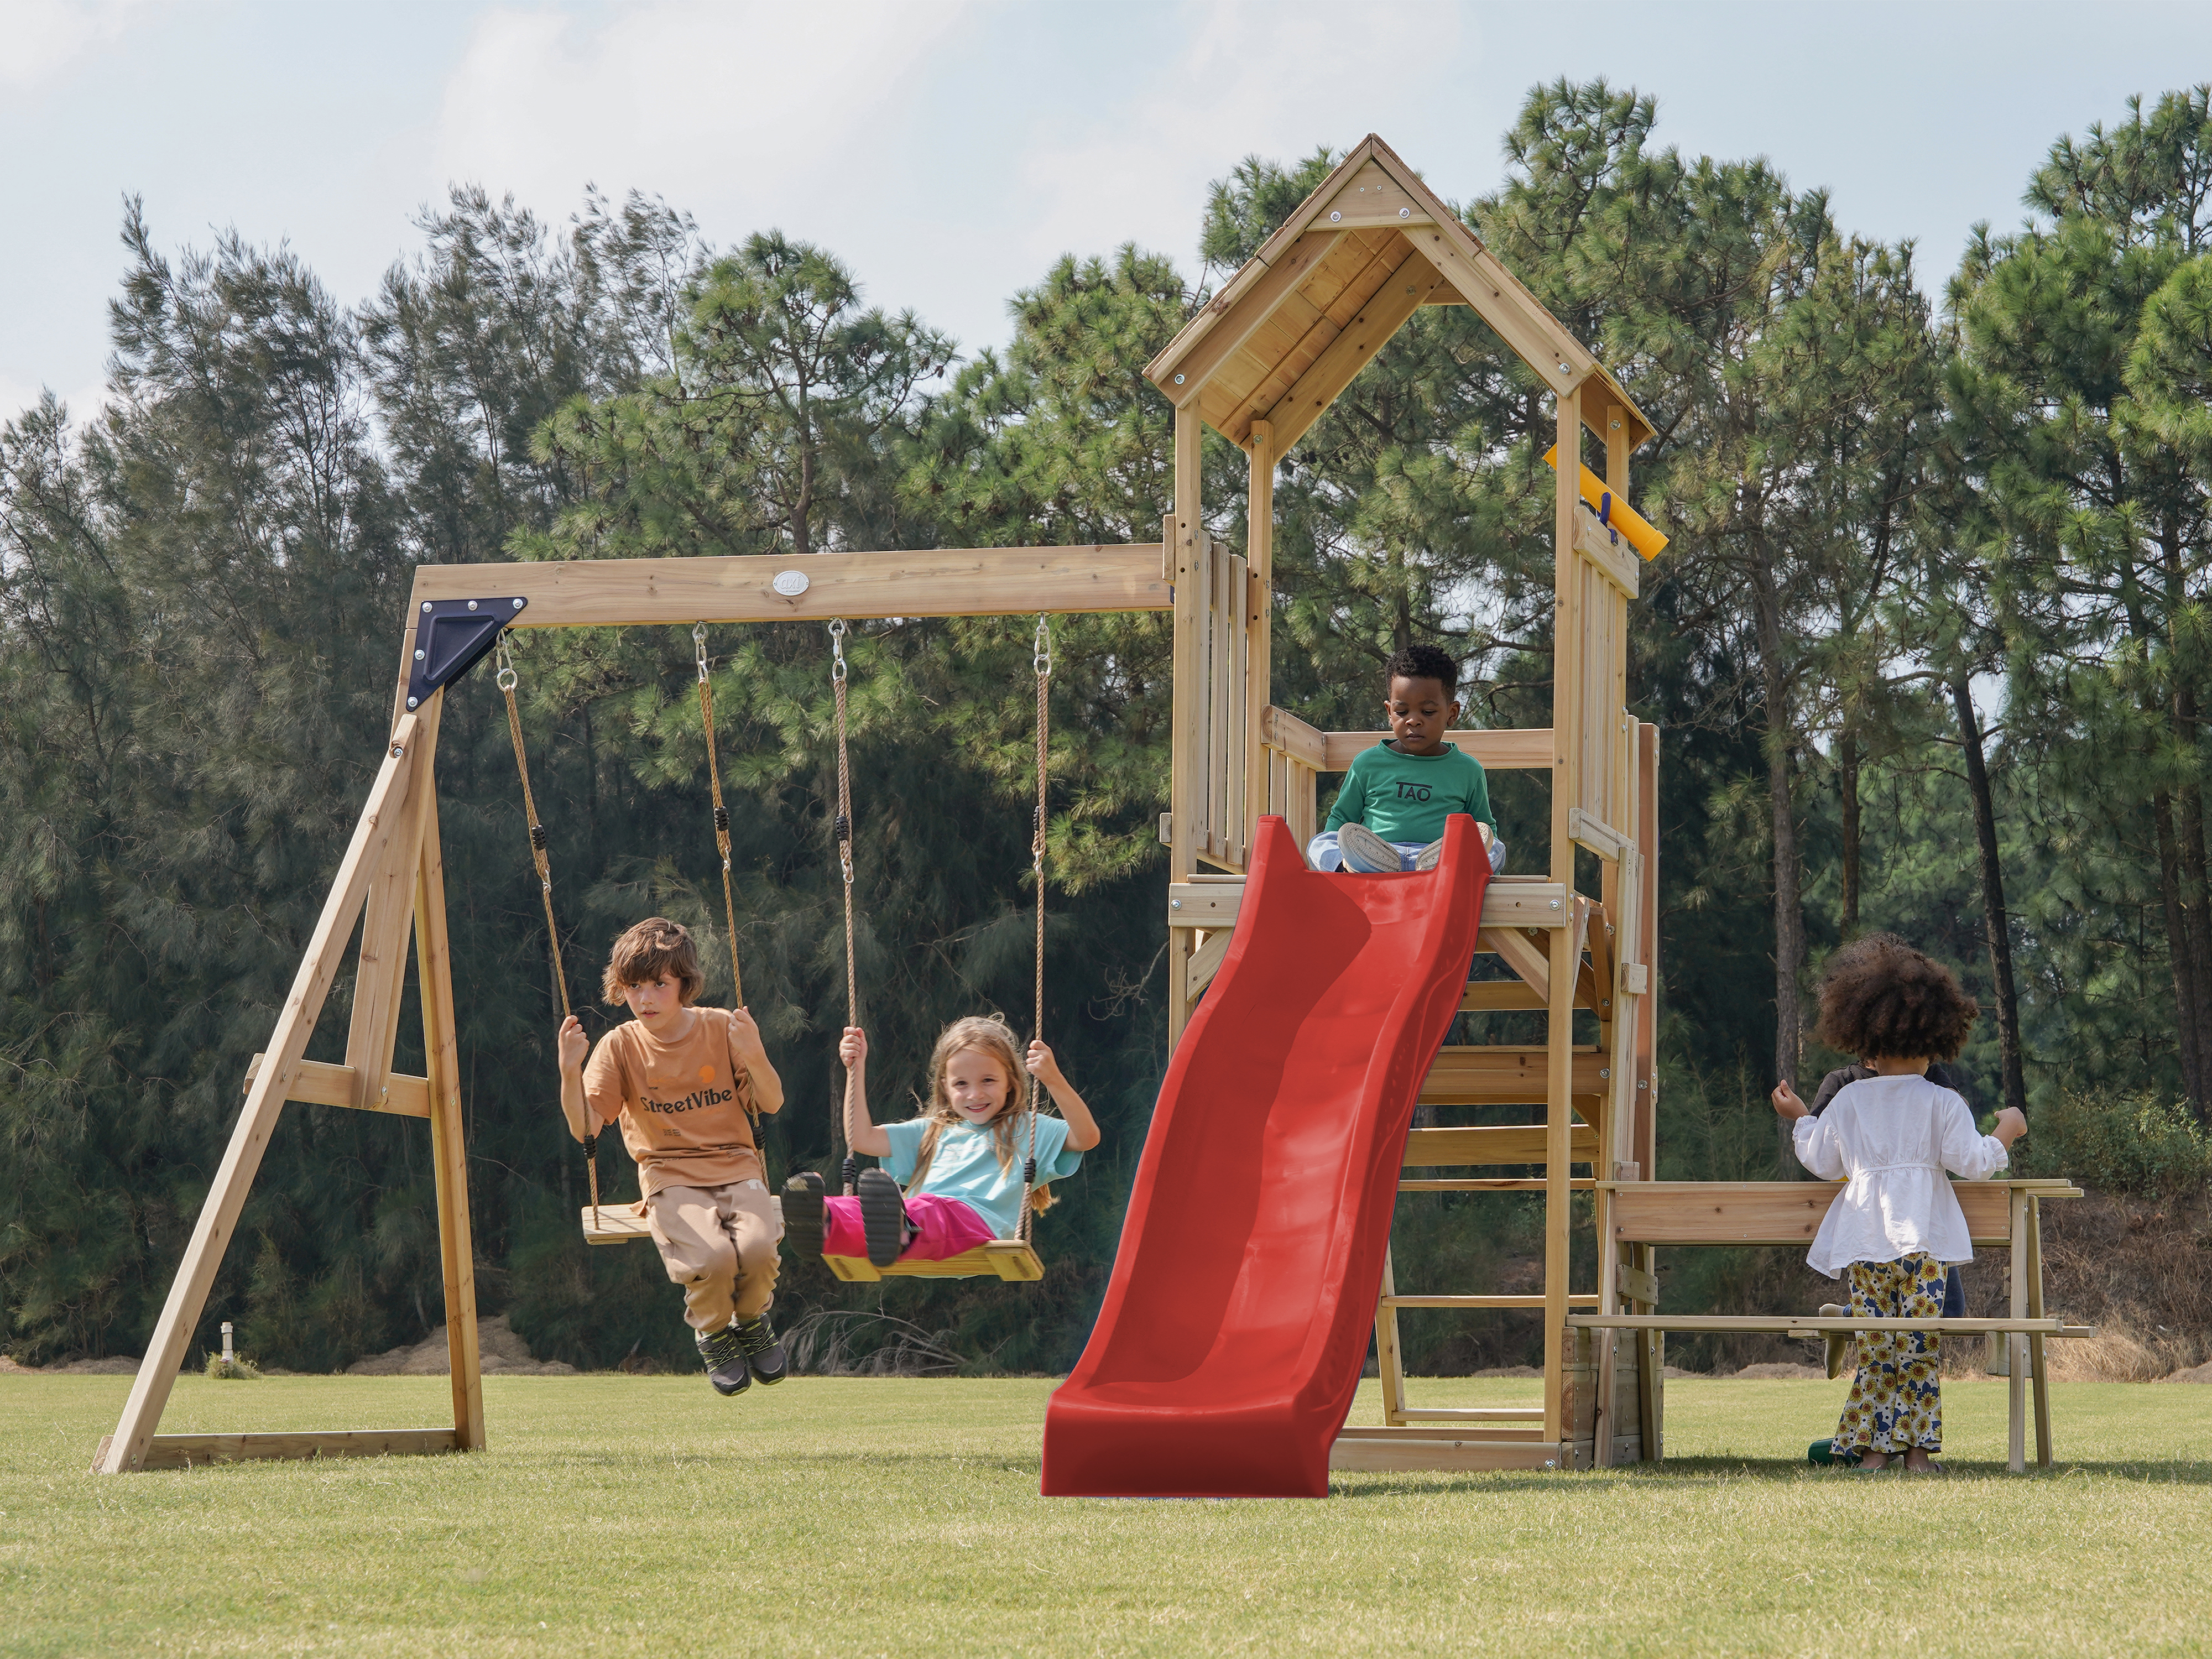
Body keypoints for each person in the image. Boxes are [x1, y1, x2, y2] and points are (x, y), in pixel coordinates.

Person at [1771, 935, 2026, 1473]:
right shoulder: (1941, 1102)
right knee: (1917, 1352)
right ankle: (1916, 1456)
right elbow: (1974, 1161)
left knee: (1876, 1352)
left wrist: (1800, 1118)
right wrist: (2006, 1130)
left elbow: (1820, 1160)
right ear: (1936, 1040)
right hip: (1923, 1245)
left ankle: (1869, 1455)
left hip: (1865, 1244)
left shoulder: (1847, 1099)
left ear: (1865, 1037)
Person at [556, 917, 788, 1397]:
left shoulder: (722, 1028)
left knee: (761, 1250)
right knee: (713, 1256)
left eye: (659, 985)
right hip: (669, 1174)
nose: (645, 999)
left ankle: (750, 1320)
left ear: (684, 983)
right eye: (634, 987)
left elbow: (772, 1102)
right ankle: (714, 1332)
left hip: (737, 1164)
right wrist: (568, 1071)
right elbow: (585, 1127)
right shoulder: (619, 1047)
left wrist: (755, 1051)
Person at [781, 1015, 1099, 1269]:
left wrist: (1053, 1079)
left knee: (931, 1209)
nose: (975, 1094)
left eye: (988, 1080)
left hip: (975, 1226)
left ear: (1011, 1082)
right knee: (861, 1209)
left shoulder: (1027, 1129)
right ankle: (824, 1221)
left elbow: (1086, 1138)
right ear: (946, 1089)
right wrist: (856, 1068)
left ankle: (899, 1231)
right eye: (962, 1084)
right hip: (917, 1217)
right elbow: (861, 1138)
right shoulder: (933, 1132)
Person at [1305, 643, 1505, 875]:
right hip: (1376, 857)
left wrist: (1487, 873)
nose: (1413, 721)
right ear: (1389, 713)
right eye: (1402, 712)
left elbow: (1485, 827)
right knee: (1318, 844)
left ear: (1452, 714)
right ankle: (1347, 869)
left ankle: (1450, 867)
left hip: (1439, 856)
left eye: (1428, 712)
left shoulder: (1468, 769)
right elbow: (1341, 817)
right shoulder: (1367, 763)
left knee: (1496, 847)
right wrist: (1338, 859)